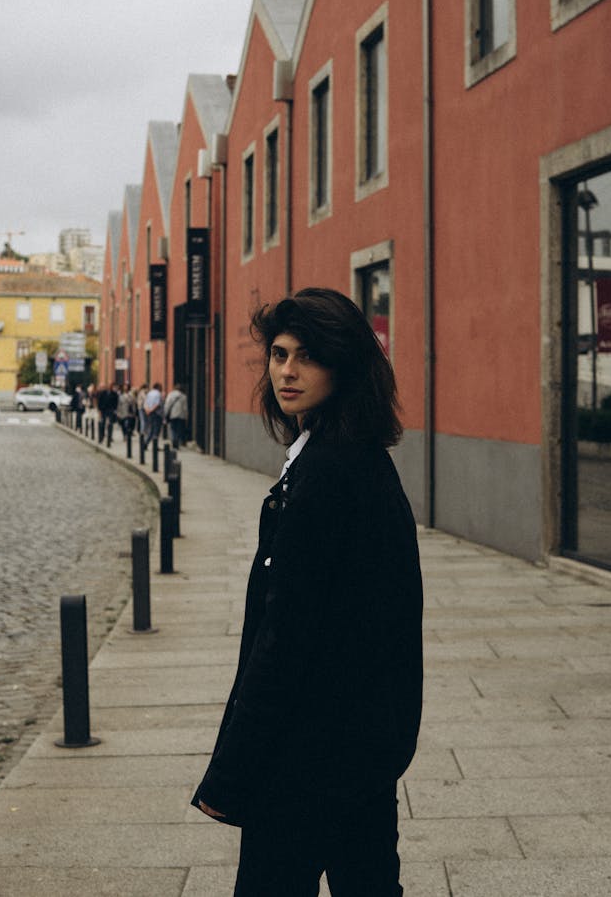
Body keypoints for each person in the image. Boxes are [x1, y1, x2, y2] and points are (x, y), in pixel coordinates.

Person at [192, 287, 423, 897]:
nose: (288, 371)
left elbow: (286, 633)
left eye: (308, 357)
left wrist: (234, 766)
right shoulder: (350, 457)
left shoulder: (330, 474)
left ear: (344, 366)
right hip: (358, 747)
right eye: (279, 353)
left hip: (306, 753)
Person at [163, 382, 188, 447]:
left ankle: (174, 440)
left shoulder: (170, 394)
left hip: (172, 415)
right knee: (179, 429)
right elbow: (185, 408)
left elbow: (167, 405)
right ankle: (177, 441)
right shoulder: (184, 396)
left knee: (173, 428)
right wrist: (186, 416)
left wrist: (165, 414)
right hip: (181, 415)